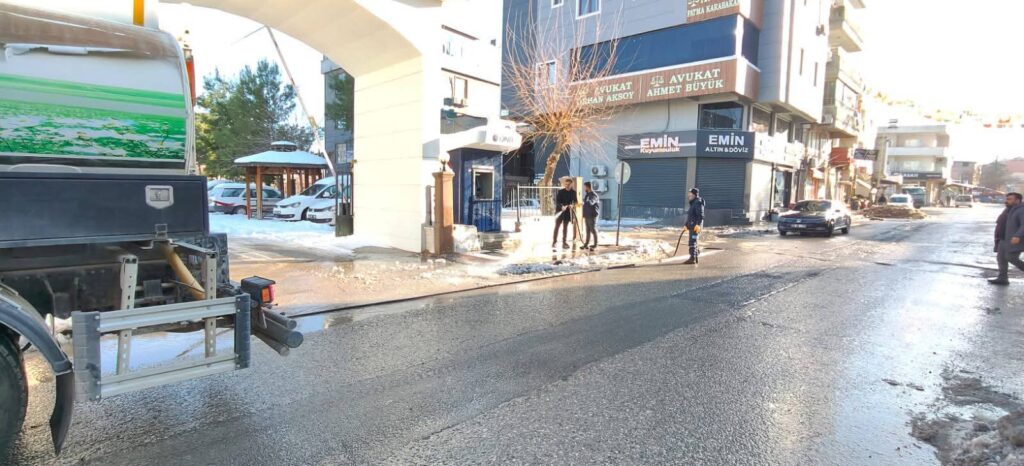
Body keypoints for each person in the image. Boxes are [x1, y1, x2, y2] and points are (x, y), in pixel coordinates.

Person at [989, 192, 1024, 285]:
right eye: (1006, 199)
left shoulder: (1021, 210)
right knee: (1001, 258)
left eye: (1009, 199)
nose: (1006, 201)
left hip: (1014, 239)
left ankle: (1003, 277)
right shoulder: (1009, 209)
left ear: (1017, 200)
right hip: (1003, 238)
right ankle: (1002, 278)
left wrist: (1018, 236)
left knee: (1011, 257)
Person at [552, 177, 577, 249]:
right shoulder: (561, 192)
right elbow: (557, 201)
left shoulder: (573, 193)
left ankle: (564, 243)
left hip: (567, 213)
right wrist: (561, 206)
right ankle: (554, 242)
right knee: (557, 227)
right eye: (566, 184)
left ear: (571, 184)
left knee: (565, 228)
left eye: (568, 184)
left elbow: (575, 201)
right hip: (560, 211)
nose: (567, 185)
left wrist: (572, 205)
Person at [683, 188, 705, 265]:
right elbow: (691, 216)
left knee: (692, 241)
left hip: (696, 227)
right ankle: (695, 253)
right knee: (693, 241)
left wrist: (698, 225)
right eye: (689, 194)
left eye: (690, 194)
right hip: (692, 226)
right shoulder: (693, 203)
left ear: (695, 195)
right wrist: (686, 225)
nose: (689, 195)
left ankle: (693, 258)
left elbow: (701, 216)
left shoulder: (698, 202)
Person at [581, 181, 600, 251]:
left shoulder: (594, 195)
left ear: (588, 187)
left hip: (592, 215)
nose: (584, 188)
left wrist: (584, 202)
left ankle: (595, 244)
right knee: (587, 230)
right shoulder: (587, 195)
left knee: (593, 229)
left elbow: (591, 202)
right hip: (587, 215)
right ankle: (586, 244)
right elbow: (585, 202)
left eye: (585, 187)